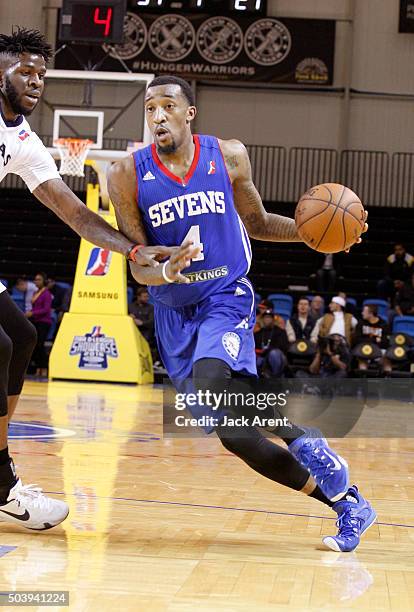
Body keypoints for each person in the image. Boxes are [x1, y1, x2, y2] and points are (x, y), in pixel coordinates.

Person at [107, 74, 374, 552]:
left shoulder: (227, 156)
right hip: (173, 314)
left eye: (168, 106)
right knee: (237, 437)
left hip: (225, 297)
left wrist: (321, 235)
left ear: (189, 113)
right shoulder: (125, 174)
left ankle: (301, 434)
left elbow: (258, 222)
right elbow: (138, 265)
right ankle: (348, 503)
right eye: (150, 109)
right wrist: (166, 269)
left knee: (214, 379)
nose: (157, 116)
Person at [0, 28, 174, 530]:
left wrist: (134, 248)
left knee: (23, 336)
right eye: (24, 72)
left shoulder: (24, 140)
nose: (35, 82)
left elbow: (77, 216)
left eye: (40, 74)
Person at [25, 272, 52, 377]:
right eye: (35, 279)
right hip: (35, 321)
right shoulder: (35, 292)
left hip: (44, 322)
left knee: (40, 345)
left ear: (44, 281)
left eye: (39, 279)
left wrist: (33, 313)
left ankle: (44, 367)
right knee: (35, 346)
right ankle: (38, 368)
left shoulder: (47, 293)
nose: (36, 281)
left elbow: (46, 309)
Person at [353, 304, 391, 373]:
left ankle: (387, 379)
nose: (362, 313)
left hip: (379, 350)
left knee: (387, 360)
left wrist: (366, 340)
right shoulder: (361, 323)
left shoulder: (383, 324)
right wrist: (374, 340)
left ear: (371, 313)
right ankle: (363, 380)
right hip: (364, 349)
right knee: (361, 360)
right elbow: (357, 340)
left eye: (364, 311)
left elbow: (386, 342)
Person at [254, 308, 288, 377]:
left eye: (269, 317)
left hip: (277, 357)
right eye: (266, 317)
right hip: (261, 357)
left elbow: (283, 347)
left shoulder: (280, 332)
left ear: (273, 319)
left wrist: (267, 351)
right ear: (262, 319)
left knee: (274, 354)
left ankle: (276, 379)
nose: (267, 319)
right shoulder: (258, 333)